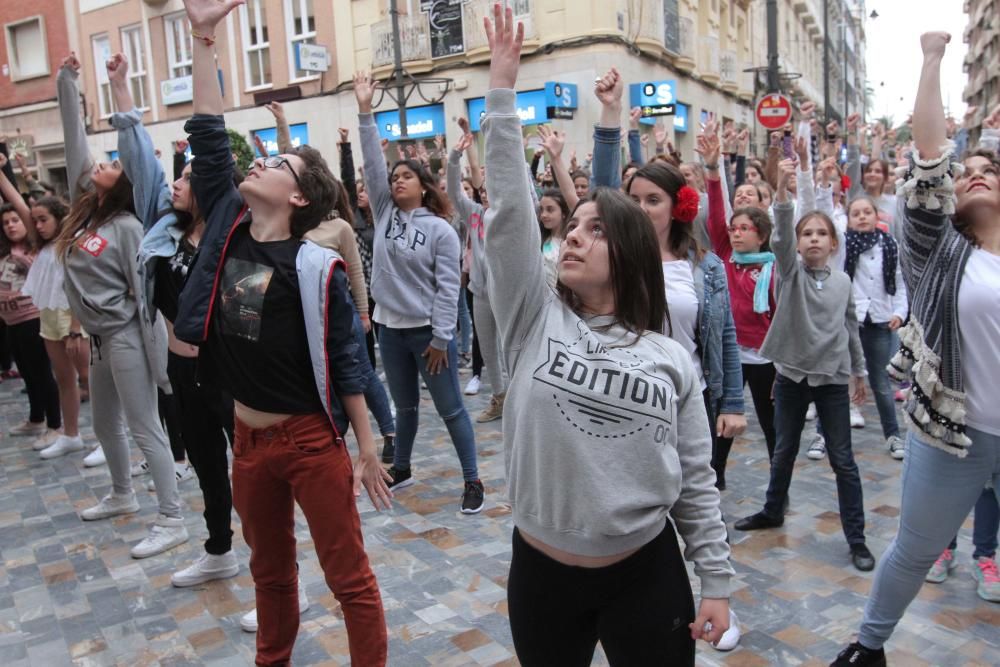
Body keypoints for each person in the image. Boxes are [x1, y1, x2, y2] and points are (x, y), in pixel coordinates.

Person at [481, 9, 732, 664]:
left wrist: (717, 580)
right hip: (542, 572)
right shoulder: (535, 316)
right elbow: (509, 213)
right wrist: (501, 92)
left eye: (594, 230)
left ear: (626, 252)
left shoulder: (669, 357)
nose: (573, 235)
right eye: (573, 226)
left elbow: (696, 479)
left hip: (645, 572)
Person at [174, 1, 392, 663]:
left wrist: (366, 444)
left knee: (348, 579)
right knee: (269, 575)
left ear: (298, 198)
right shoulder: (227, 230)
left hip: (307, 441)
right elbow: (209, 132)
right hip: (246, 440)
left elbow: (346, 359)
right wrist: (204, 36)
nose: (256, 166)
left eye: (276, 166)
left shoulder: (314, 266)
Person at [832, 32, 1000, 667]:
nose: (975, 176)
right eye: (969, 173)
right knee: (915, 545)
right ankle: (868, 646)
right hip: (954, 432)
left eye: (991, 171)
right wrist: (932, 59)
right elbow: (931, 155)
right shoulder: (940, 249)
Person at [99, 51, 240, 586]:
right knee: (205, 462)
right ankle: (219, 550)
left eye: (185, 179)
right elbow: (139, 165)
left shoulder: (232, 234)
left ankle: (276, 573)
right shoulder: (165, 227)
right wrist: (121, 92)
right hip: (182, 369)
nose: (176, 186)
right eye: (175, 180)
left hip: (229, 368)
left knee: (249, 470)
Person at [55, 52, 186, 559]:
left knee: (144, 425)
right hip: (100, 340)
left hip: (128, 336)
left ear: (124, 182)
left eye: (111, 164)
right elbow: (74, 144)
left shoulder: (130, 227)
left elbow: (145, 298)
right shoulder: (84, 213)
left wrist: (159, 365)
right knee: (103, 422)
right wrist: (70, 82)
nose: (100, 166)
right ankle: (121, 492)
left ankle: (172, 518)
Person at [733, 158, 875, 574]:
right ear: (796, 243)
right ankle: (772, 510)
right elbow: (779, 233)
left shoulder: (843, 282)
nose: (813, 239)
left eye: (821, 233)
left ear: (833, 242)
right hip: (792, 377)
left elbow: (850, 329)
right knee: (784, 450)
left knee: (843, 460)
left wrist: (859, 373)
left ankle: (857, 537)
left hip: (831, 380)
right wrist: (781, 193)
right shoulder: (788, 271)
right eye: (806, 233)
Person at [354, 70, 485, 513]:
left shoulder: (442, 231)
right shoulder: (386, 211)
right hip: (391, 331)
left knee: (451, 410)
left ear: (424, 185)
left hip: (429, 335)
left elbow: (450, 288)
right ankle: (404, 466)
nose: (396, 181)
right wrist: (365, 112)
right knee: (404, 408)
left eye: (406, 176)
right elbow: (373, 163)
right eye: (394, 178)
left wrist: (441, 338)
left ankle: (473, 480)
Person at [701, 132, 778, 487]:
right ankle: (715, 479)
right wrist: (714, 170)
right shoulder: (724, 257)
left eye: (744, 228)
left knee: (772, 424)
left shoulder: (774, 268)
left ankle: (779, 486)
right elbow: (717, 210)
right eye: (733, 229)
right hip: (732, 356)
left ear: (761, 234)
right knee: (722, 424)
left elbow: (780, 319)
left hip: (766, 359)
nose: (735, 233)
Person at [14, 192, 94, 461]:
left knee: (89, 378)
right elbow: (19, 204)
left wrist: (74, 327)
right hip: (49, 315)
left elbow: (80, 286)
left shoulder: (73, 240)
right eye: (34, 220)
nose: (37, 225)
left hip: (73, 316)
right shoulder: (42, 244)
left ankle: (108, 439)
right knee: (64, 378)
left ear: (60, 218)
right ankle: (71, 435)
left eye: (43, 219)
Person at [840, 196, 908, 459]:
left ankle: (892, 435)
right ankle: (825, 435)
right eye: (855, 213)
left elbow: (900, 283)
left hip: (879, 320)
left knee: (880, 382)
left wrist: (900, 313)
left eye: (866, 211)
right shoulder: (844, 245)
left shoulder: (890, 245)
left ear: (876, 215)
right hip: (850, 320)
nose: (862, 217)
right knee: (838, 379)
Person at [447, 130, 508, 423]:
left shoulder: (509, 214)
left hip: (508, 292)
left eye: (488, 189)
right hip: (481, 291)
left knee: (512, 346)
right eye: (481, 190)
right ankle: (500, 397)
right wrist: (454, 157)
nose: (484, 193)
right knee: (487, 346)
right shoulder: (473, 213)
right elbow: (453, 191)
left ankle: (522, 397)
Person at [0, 197, 62, 447]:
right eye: (5, 222)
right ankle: (36, 418)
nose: (11, 226)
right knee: (26, 371)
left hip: (32, 319)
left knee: (41, 372)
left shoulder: (34, 249)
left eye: (15, 220)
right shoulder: (4, 251)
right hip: (11, 322)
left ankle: (55, 425)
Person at [538, 188, 569, 289]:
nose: (543, 215)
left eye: (550, 209)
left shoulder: (571, 243)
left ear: (563, 213)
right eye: (541, 209)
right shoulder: (538, 241)